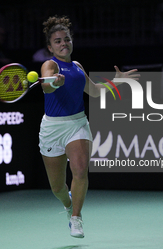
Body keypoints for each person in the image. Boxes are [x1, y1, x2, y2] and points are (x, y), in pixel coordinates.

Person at [39, 15, 139, 238]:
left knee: (80, 169)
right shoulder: (50, 64)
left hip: (77, 124)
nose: (63, 43)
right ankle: (67, 204)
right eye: (57, 41)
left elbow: (94, 91)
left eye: (66, 39)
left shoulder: (76, 66)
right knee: (57, 188)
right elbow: (46, 87)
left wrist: (117, 81)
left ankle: (76, 217)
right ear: (50, 46)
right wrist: (54, 81)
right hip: (52, 129)